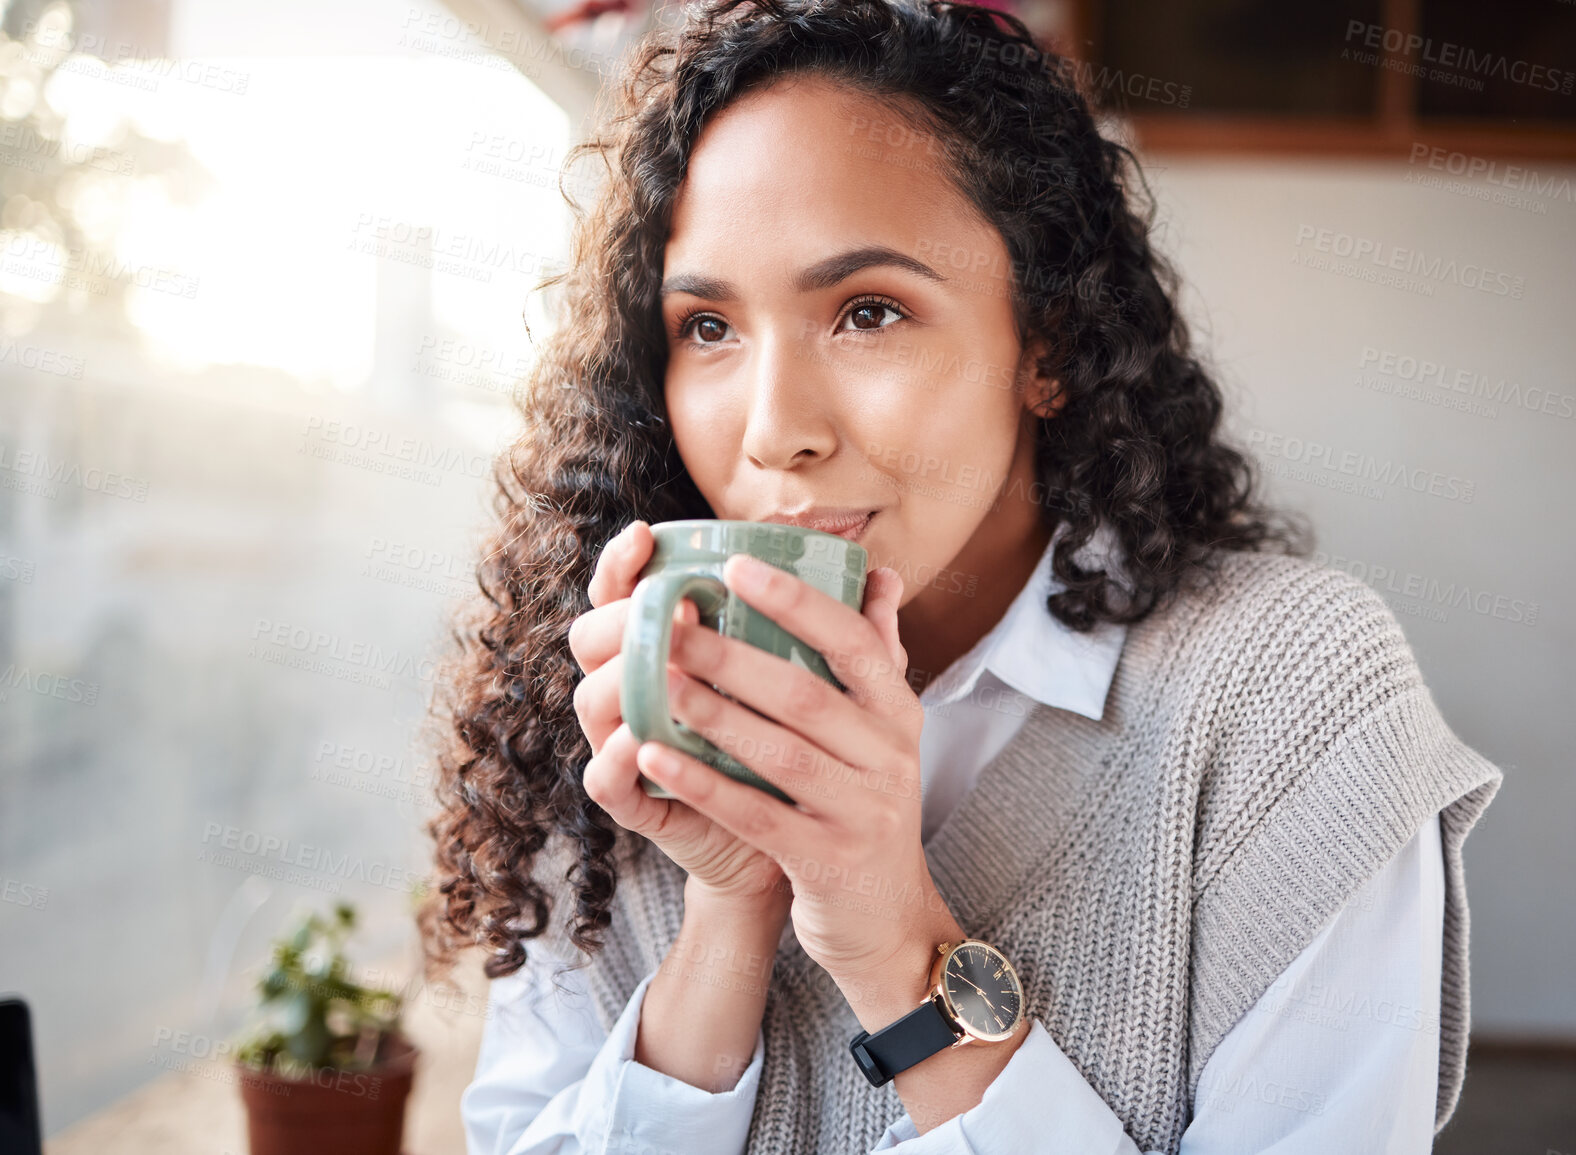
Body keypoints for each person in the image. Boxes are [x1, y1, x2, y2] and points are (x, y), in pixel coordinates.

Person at [419, 2, 1504, 1152]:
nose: (776, 430)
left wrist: (893, 944)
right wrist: (731, 915)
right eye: (707, 328)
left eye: (867, 312)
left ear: (1045, 344)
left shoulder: (1289, 697)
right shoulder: (608, 697)